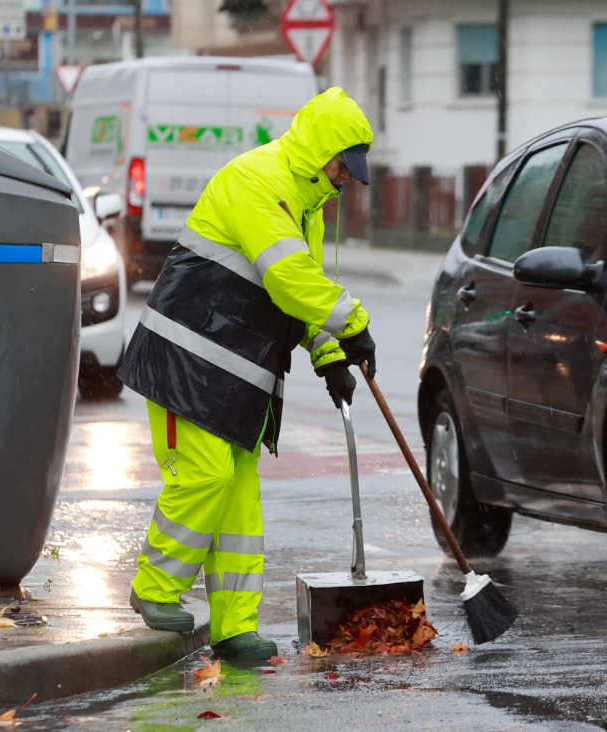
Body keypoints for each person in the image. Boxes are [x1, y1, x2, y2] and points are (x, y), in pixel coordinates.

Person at [116, 87, 377, 662]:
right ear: (320, 151)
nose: (343, 180)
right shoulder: (257, 181)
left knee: (238, 501)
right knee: (203, 479)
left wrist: (331, 354)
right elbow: (289, 278)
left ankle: (235, 627)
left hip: (235, 372)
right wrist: (353, 322)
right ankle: (155, 589)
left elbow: (295, 297)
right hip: (188, 357)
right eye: (341, 166)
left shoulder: (305, 206)